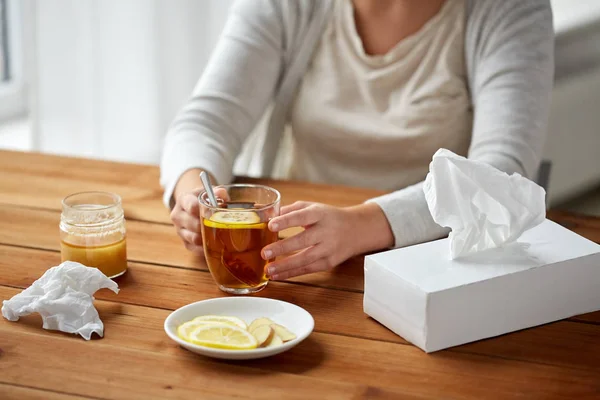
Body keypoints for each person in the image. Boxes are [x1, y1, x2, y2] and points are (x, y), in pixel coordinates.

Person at [161, 0, 554, 280]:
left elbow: (501, 171)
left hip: (436, 263)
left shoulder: (511, 8)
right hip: (298, 256)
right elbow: (206, 121)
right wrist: (195, 192)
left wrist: (362, 225)